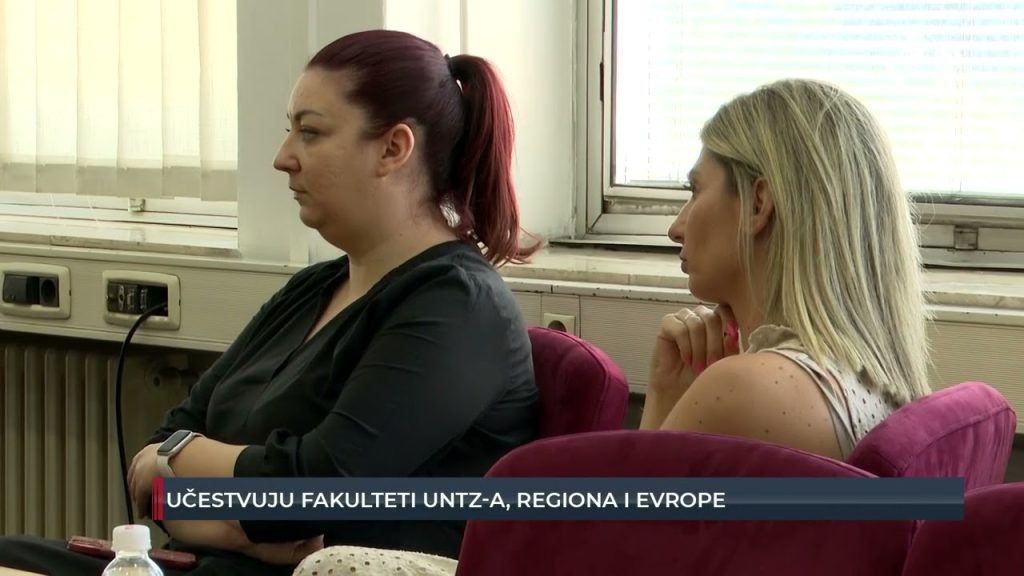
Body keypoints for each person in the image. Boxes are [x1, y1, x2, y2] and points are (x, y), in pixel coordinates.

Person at [0, 29, 540, 575]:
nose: (283, 158)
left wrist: (186, 458)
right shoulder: (312, 289)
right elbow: (154, 474)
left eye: (310, 132)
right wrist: (244, 531)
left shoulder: (458, 307)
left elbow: (318, 489)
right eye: (290, 132)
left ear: (393, 148)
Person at [640, 78, 931, 459]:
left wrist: (662, 393)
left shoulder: (743, 391)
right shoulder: (867, 383)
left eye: (695, 190)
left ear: (757, 204)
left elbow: (626, 499)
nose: (676, 228)